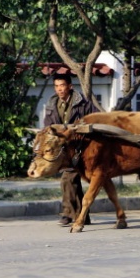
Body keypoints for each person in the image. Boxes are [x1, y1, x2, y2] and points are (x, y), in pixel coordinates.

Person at [43, 72, 99, 226]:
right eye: (56, 86)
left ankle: (68, 213)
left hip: (81, 148)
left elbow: (96, 119)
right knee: (72, 180)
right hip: (63, 149)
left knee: (67, 178)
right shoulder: (51, 105)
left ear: (69, 86)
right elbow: (48, 125)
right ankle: (83, 216)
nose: (59, 89)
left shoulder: (84, 104)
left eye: (62, 85)